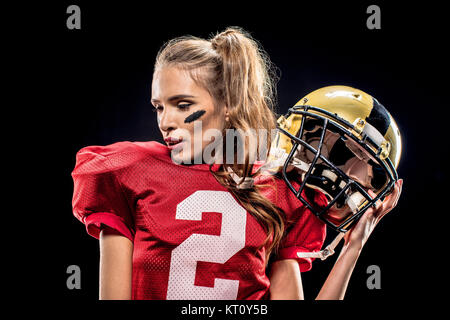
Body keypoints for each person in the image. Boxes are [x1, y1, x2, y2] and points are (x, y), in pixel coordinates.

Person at [71, 27, 402, 300]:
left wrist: (353, 247)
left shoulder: (275, 190)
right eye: (159, 107)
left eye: (183, 104)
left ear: (228, 104)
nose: (166, 122)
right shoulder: (130, 170)